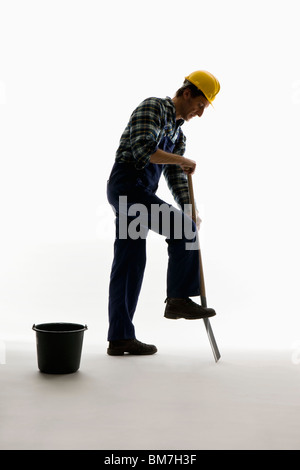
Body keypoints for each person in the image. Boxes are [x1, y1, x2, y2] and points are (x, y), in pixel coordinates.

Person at [106, 71, 220, 356]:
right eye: (201, 105)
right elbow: (144, 149)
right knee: (182, 230)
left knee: (130, 263)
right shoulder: (153, 107)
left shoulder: (178, 134)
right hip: (127, 190)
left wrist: (190, 210)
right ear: (186, 94)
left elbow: (176, 176)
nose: (200, 113)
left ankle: (120, 338)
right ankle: (178, 298)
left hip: (141, 194)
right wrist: (181, 160)